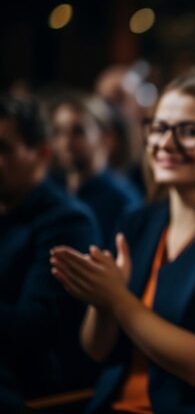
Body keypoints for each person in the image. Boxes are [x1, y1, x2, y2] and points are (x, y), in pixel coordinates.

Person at [50, 67, 195, 413]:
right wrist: (101, 300)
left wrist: (119, 301)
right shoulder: (139, 220)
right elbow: (99, 352)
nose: (165, 143)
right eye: (158, 127)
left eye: (189, 131)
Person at [0, 94, 100, 411]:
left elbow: (32, 328)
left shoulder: (67, 221)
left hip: (33, 388)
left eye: (3, 149)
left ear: (42, 154)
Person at [50, 90, 144, 249]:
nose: (65, 142)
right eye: (58, 131)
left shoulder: (123, 201)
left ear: (107, 138)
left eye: (78, 131)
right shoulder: (55, 191)